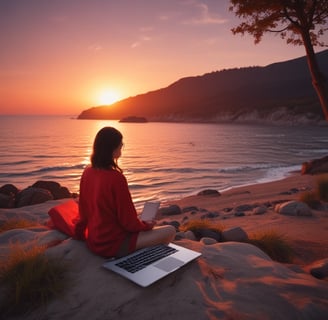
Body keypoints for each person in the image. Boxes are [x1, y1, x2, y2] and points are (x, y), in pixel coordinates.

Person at [76, 126, 176, 258]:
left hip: (94, 240)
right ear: (112, 149)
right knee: (170, 230)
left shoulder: (87, 171)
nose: (122, 148)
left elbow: (83, 210)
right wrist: (146, 226)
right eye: (120, 145)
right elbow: (128, 223)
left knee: (143, 224)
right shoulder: (116, 178)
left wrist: (79, 234)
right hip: (114, 245)